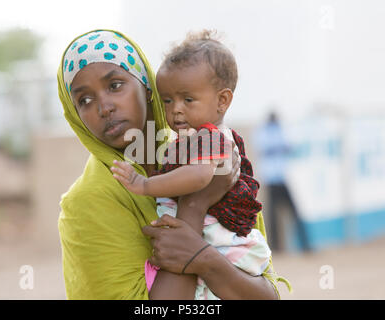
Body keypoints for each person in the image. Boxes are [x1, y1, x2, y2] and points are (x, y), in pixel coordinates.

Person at [57, 29, 291, 299]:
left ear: (147, 88)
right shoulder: (87, 203)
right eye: (84, 100)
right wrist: (194, 205)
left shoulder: (209, 152)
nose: (104, 107)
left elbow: (266, 292)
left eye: (115, 85)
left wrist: (204, 259)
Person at [111, 30, 272, 299]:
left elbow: (198, 176)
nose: (176, 110)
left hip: (215, 237)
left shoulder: (210, 136)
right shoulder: (192, 137)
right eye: (167, 100)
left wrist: (144, 184)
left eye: (187, 99)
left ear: (222, 100)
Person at [254, 111, 310, 252]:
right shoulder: (263, 131)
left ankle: (306, 246)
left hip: (281, 177)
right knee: (272, 218)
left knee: (295, 213)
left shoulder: (280, 130)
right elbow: (265, 148)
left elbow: (289, 146)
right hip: (271, 179)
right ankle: (275, 248)